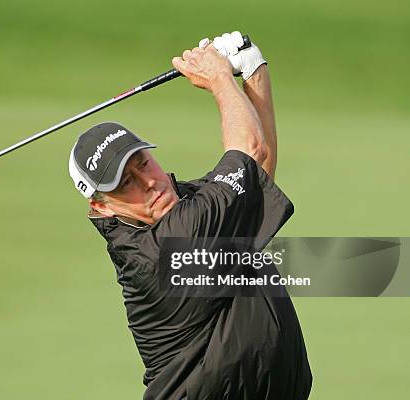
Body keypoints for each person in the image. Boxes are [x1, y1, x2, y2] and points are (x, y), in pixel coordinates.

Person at [68, 32, 312, 400]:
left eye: (143, 163)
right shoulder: (165, 251)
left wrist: (252, 69)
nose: (148, 182)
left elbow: (256, 170)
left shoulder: (188, 207)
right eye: (126, 184)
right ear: (101, 207)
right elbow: (249, 148)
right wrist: (218, 78)